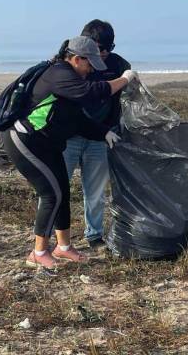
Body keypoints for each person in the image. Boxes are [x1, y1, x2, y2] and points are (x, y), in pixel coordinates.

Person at [0, 36, 138, 270]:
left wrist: (103, 133)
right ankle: (38, 252)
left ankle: (63, 247)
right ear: (76, 59)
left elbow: (78, 118)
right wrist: (123, 80)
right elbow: (93, 92)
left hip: (47, 143)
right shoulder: (59, 74)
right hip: (24, 140)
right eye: (89, 64)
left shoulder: (70, 79)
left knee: (62, 189)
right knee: (51, 194)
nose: (92, 69)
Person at [63, 20, 131, 250]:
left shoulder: (120, 65)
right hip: (70, 135)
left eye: (106, 49)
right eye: (97, 48)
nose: (101, 55)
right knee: (57, 187)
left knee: (96, 190)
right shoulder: (69, 65)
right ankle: (53, 236)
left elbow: (127, 99)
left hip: (101, 137)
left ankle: (94, 234)